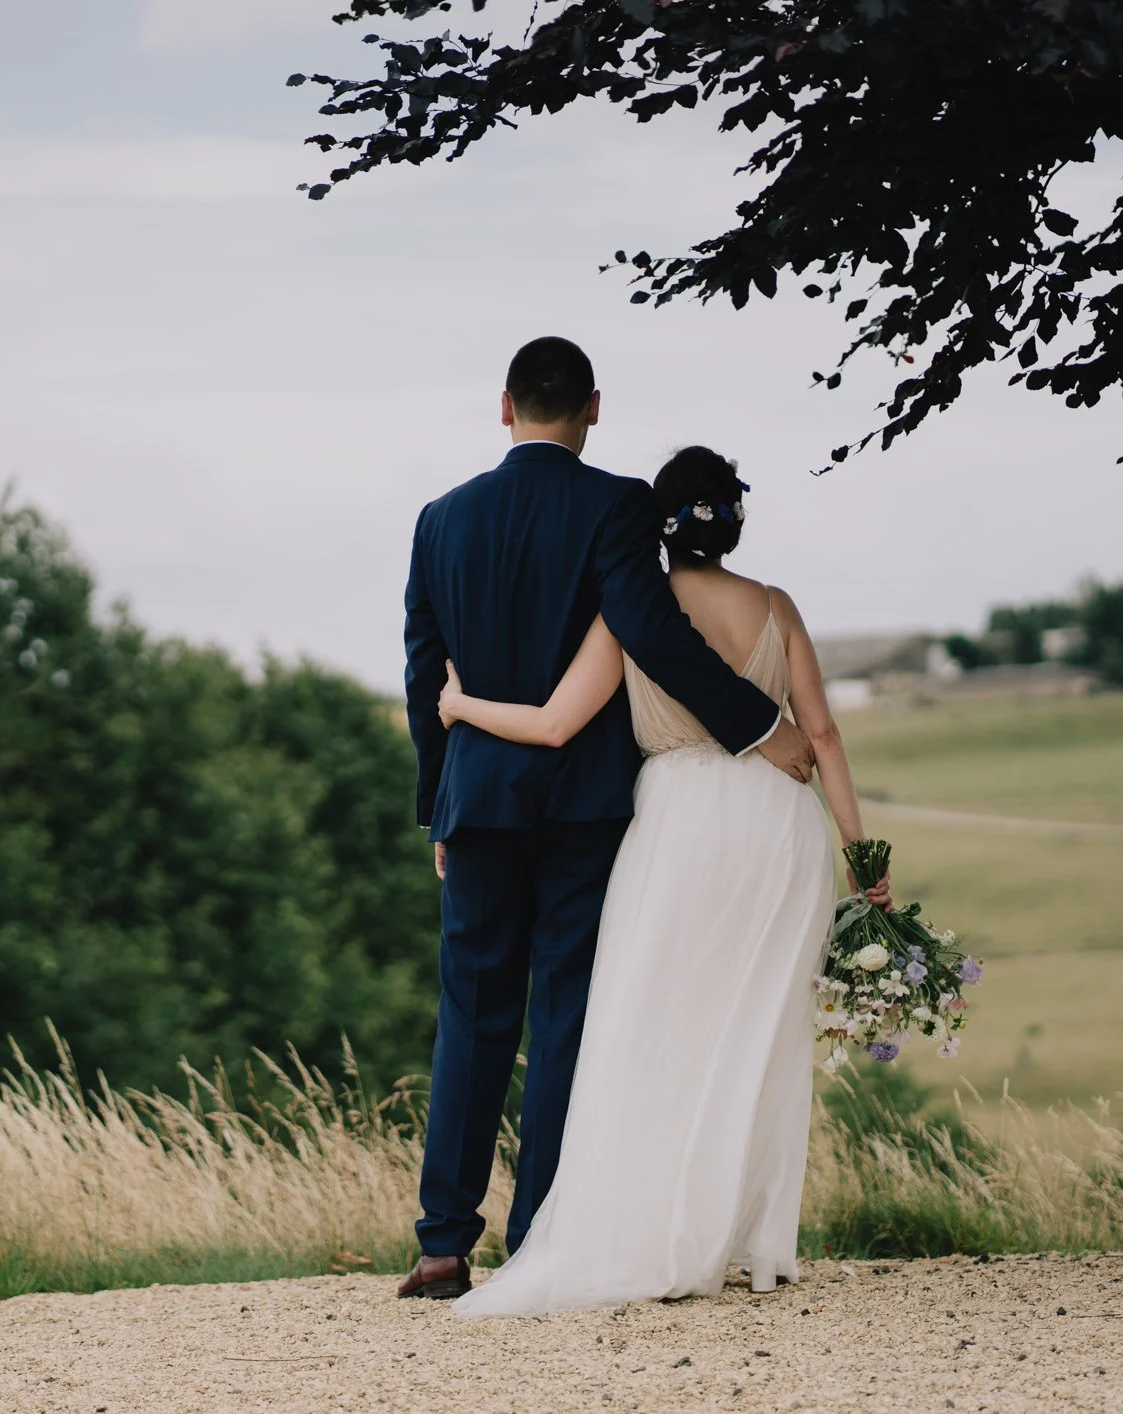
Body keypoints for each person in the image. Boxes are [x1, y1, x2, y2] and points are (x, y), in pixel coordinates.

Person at [396, 337, 820, 1302]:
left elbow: (427, 675)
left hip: (478, 802)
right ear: (592, 407)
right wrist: (760, 726)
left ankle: (440, 1243)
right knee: (565, 1014)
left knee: (470, 1013)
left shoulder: (438, 521)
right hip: (584, 805)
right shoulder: (616, 504)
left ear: (504, 406)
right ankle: (540, 1235)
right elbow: (651, 629)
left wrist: (437, 810)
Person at [440, 443, 885, 1317]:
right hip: (776, 827)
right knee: (755, 1035)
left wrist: (457, 707)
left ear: (659, 526)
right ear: (735, 522)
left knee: (653, 1024)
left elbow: (555, 721)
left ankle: (654, 1229)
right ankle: (746, 1244)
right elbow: (822, 736)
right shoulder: (775, 606)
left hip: (679, 824)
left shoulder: (631, 607)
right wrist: (861, 857)